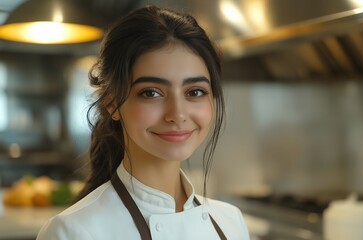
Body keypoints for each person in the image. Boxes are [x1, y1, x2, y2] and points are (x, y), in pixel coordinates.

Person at [37, 4, 250, 240]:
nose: (177, 114)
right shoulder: (73, 231)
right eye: (151, 93)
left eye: (195, 92)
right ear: (111, 103)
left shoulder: (231, 222)